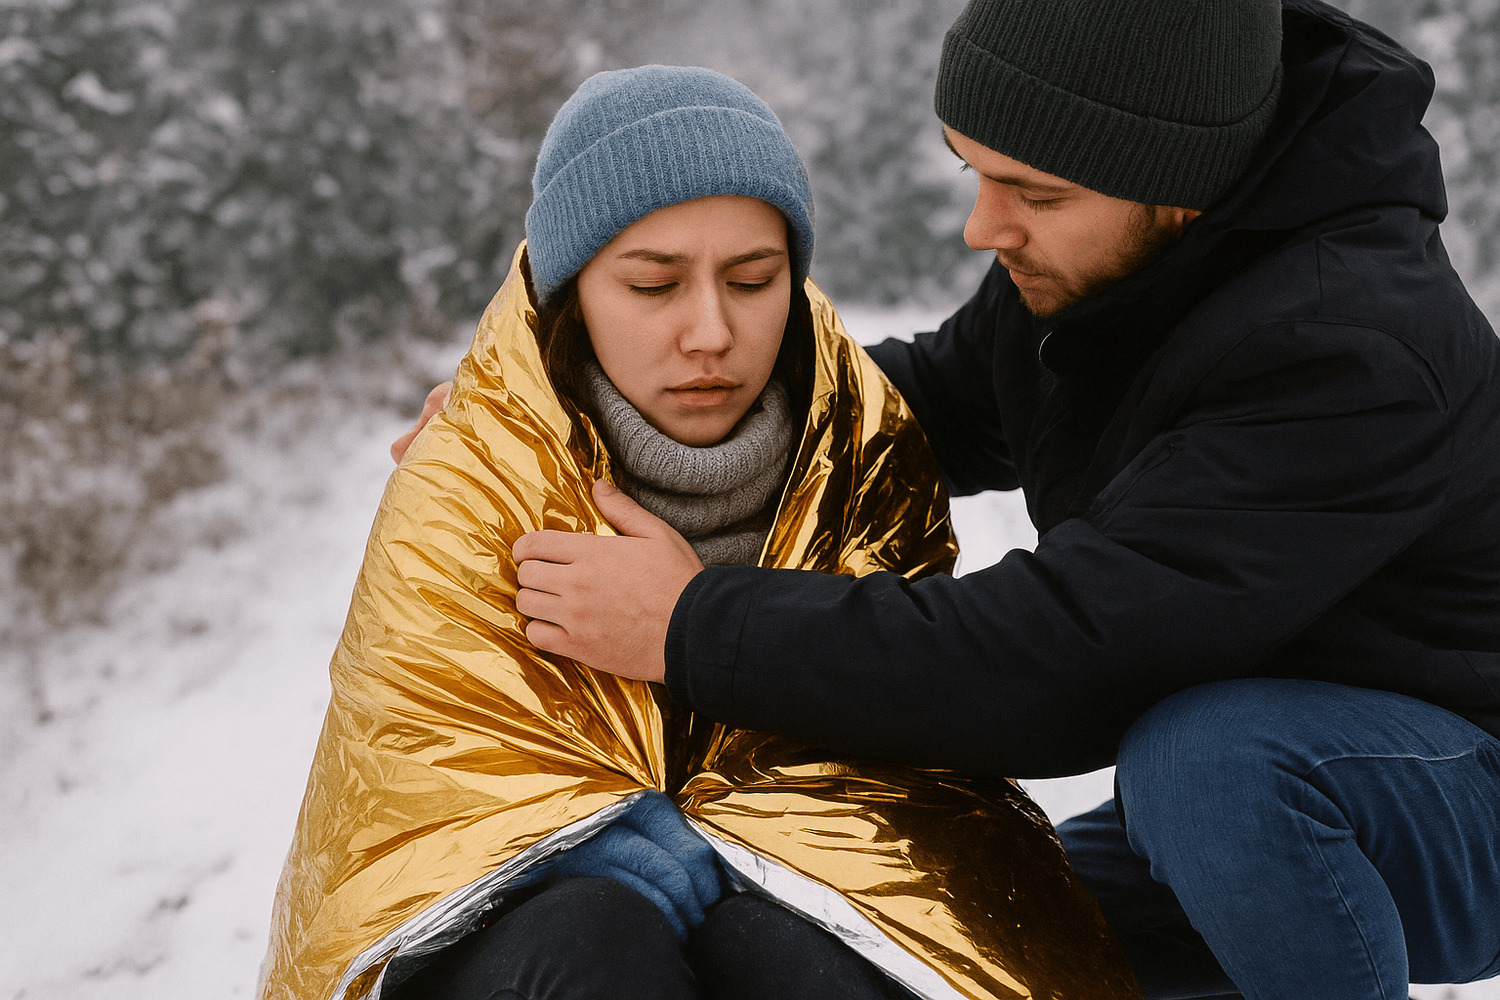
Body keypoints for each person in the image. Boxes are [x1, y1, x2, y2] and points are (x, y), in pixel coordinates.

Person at [476, 3, 1500, 999]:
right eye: (976, 172)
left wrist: (690, 625)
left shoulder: (1352, 347)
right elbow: (914, 412)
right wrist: (578, 412)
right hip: (1242, 798)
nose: (983, 227)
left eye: (1032, 193)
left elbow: (1063, 658)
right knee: (928, 919)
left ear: (1176, 187)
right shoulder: (1099, 264)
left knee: (1205, 760)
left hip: (1448, 788)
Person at [263, 66, 1142, 1000]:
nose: (710, 333)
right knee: (592, 935)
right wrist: (571, 839)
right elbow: (411, 768)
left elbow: (916, 752)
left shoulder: (864, 457)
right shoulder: (476, 474)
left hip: (814, 888)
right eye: (653, 286)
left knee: (798, 960)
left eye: (754, 280)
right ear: (569, 296)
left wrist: (747, 833)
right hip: (523, 942)